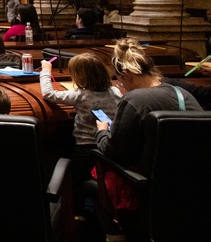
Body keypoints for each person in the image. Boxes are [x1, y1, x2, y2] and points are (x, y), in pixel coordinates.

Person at [95, 38, 202, 238]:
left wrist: (101, 131)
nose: (119, 86)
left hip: (150, 189)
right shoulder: (183, 94)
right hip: (195, 186)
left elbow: (116, 151)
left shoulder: (134, 99)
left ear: (126, 74)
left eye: (118, 80)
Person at [40, 52, 121, 205]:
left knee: (74, 181)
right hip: (107, 147)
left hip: (84, 149)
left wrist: (45, 70)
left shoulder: (80, 95)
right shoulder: (116, 92)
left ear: (80, 77)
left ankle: (76, 214)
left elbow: (48, 93)